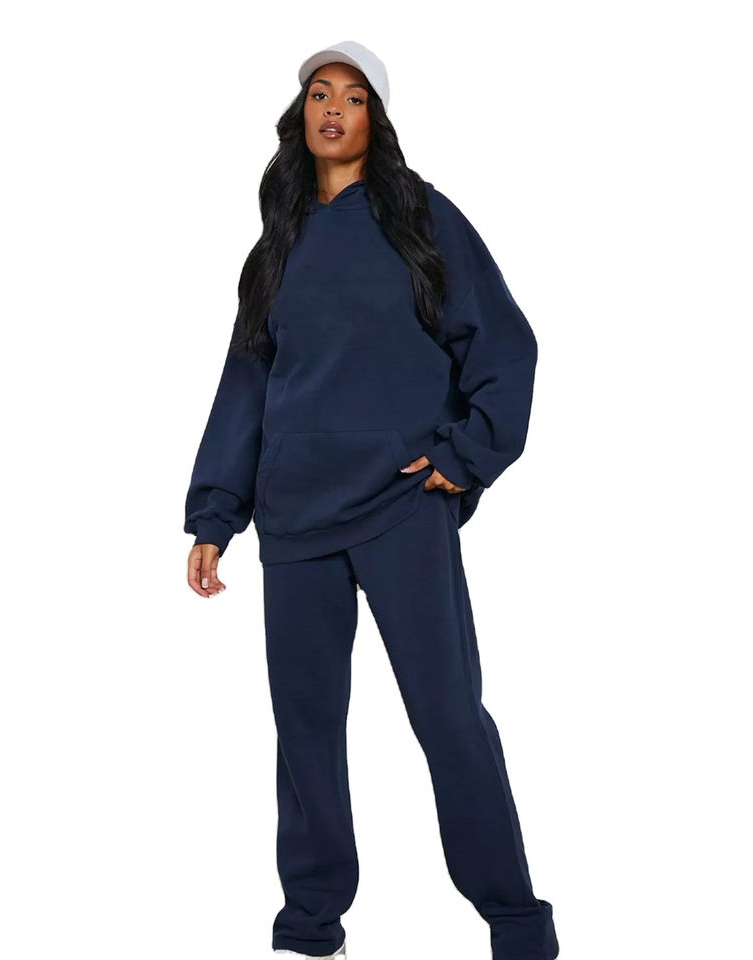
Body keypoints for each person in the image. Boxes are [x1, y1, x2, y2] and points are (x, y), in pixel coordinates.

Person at [184, 40, 559, 960]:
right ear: (300, 114)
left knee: (448, 718)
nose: (334, 109)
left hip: (401, 506)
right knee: (305, 732)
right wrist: (215, 513)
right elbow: (246, 385)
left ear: (376, 121)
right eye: (320, 93)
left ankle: (517, 927)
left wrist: (465, 455)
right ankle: (311, 930)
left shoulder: (422, 218)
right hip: (295, 520)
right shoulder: (276, 245)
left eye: (353, 97)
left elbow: (503, 343)